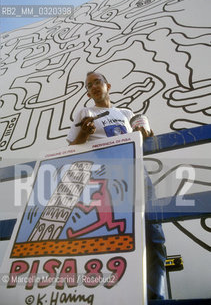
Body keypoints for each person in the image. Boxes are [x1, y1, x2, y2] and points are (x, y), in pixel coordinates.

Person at [66, 71, 166, 299]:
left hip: (136, 172)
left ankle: (154, 296)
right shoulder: (85, 113)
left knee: (154, 234)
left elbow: (144, 139)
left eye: (97, 82)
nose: (93, 87)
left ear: (107, 85)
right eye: (88, 85)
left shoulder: (126, 113)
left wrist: (146, 133)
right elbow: (73, 147)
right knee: (116, 236)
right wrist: (83, 133)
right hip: (108, 178)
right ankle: (118, 297)